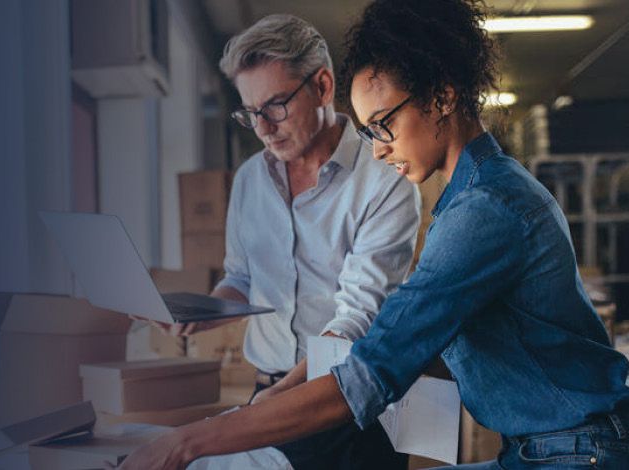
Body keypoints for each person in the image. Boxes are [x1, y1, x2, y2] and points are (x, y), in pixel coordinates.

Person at [116, 0, 629, 469]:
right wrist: (274, 397)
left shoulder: (485, 209)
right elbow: (405, 336)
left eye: (384, 124)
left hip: (583, 454)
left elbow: (372, 363)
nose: (378, 147)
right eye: (367, 130)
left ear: (442, 97)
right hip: (543, 449)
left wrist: (186, 441)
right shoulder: (470, 198)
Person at [140, 13, 420, 470]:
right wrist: (197, 314)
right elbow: (242, 278)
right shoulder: (251, 178)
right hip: (267, 392)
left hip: (349, 406)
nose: (263, 128)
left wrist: (276, 401)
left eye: (275, 106)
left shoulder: (385, 182)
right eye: (251, 113)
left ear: (323, 87)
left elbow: (355, 323)